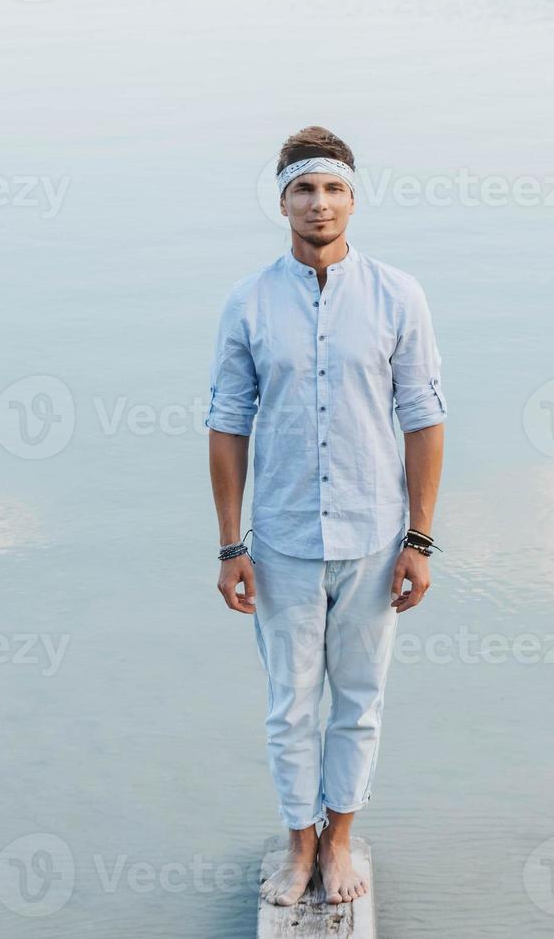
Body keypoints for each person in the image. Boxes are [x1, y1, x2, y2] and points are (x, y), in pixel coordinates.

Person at [205, 126, 447, 906]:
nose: (320, 204)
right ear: (282, 201)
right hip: (280, 543)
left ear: (354, 198)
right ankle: (297, 843)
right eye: (305, 190)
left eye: (334, 189)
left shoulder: (397, 295)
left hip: (375, 539)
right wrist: (229, 545)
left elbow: (424, 419)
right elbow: (226, 424)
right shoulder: (247, 302)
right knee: (290, 703)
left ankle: (341, 839)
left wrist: (419, 539)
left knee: (360, 698)